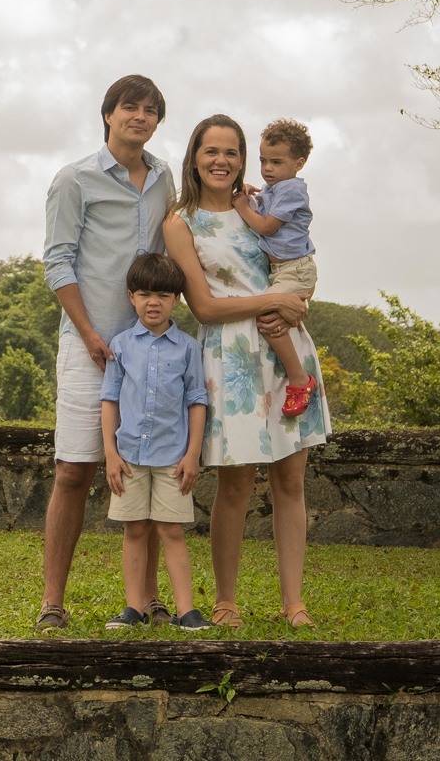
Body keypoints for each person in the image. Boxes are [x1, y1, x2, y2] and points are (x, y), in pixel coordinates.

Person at [163, 115, 330, 631]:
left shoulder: (261, 204)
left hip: (285, 349)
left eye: (232, 152)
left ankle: (293, 602)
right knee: (235, 484)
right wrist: (277, 298)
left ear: (243, 160)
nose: (222, 161)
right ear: (194, 157)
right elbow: (206, 308)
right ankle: (227, 600)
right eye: (211, 151)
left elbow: (292, 264)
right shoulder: (180, 221)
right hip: (230, 356)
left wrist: (295, 298)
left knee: (290, 480)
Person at [38, 73, 175, 631]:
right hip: (88, 345)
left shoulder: (166, 178)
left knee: (152, 468)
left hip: (152, 348)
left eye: (149, 110)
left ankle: (147, 598)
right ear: (108, 114)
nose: (138, 117)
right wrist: (91, 332)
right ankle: (52, 601)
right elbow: (58, 262)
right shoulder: (76, 180)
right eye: (129, 107)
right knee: (74, 469)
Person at [100, 251, 210, 631]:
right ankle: (135, 608)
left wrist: (193, 454)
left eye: (163, 295)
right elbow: (110, 399)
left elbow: (197, 400)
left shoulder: (188, 348)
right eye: (145, 293)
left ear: (176, 299)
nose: (153, 302)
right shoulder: (122, 345)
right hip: (129, 455)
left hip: (172, 457)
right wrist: (110, 454)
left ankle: (187, 610)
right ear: (131, 296)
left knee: (172, 531)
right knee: (135, 530)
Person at [232, 119, 318, 416]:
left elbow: (267, 227)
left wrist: (243, 207)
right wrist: (249, 195)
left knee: (269, 318)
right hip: (283, 270)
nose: (267, 168)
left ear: (299, 163)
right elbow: (260, 207)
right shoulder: (274, 188)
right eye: (263, 160)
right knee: (274, 316)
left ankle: (299, 379)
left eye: (276, 162)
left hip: (295, 269)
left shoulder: (292, 190)